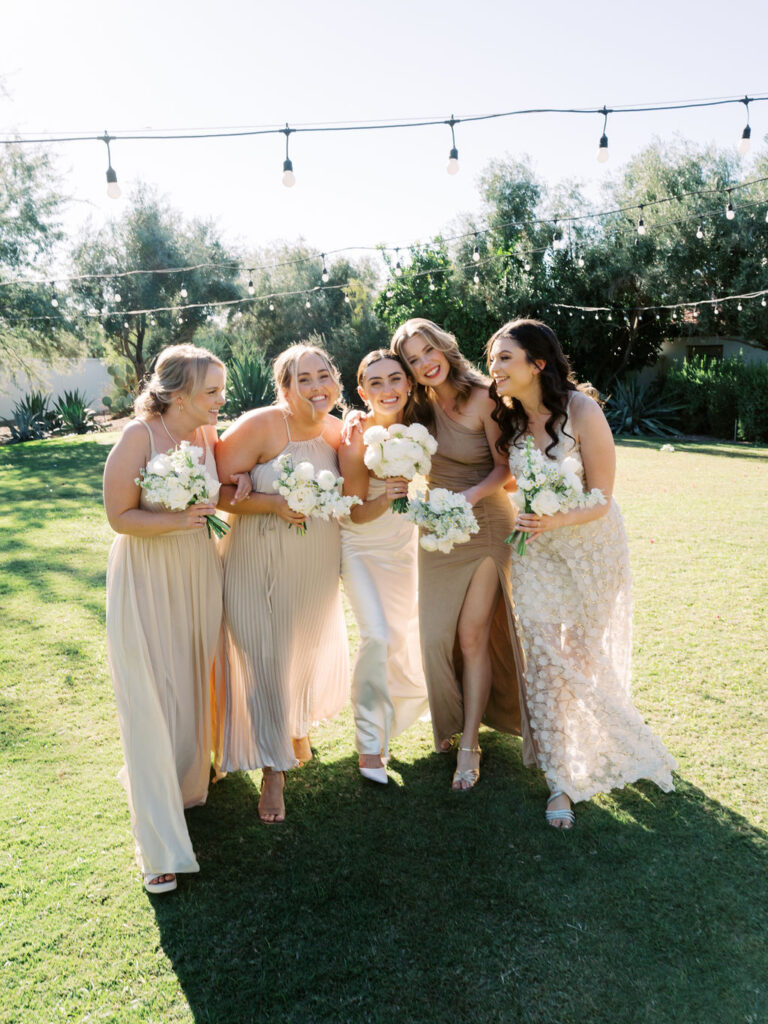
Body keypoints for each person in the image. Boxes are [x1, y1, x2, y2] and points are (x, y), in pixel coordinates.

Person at [487, 318, 676, 828]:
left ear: (537, 363)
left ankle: (621, 739)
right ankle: (560, 782)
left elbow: (602, 498)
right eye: (492, 359)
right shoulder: (505, 417)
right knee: (546, 663)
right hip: (536, 554)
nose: (495, 368)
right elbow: (509, 479)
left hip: (592, 547)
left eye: (505, 357)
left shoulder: (581, 410)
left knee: (581, 660)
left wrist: (555, 517)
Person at [104, 344, 235, 894]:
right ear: (177, 394)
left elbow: (223, 486)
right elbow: (119, 516)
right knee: (149, 693)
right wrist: (179, 520)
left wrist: (237, 489)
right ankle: (156, 844)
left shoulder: (205, 435)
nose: (220, 400)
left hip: (198, 571)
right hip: (147, 575)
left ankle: (182, 784)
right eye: (211, 392)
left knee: (187, 680)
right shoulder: (139, 437)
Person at [389, 318, 529, 791]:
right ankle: (452, 720)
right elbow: (384, 438)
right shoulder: (413, 407)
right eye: (412, 358)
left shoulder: (485, 395)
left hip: (486, 522)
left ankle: (470, 744)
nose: (424, 362)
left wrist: (466, 498)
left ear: (445, 348)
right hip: (438, 530)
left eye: (428, 350)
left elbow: (506, 470)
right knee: (433, 637)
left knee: (471, 635)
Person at [214, 343, 349, 823]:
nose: (316, 387)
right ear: (285, 387)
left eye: (323, 376)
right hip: (258, 556)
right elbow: (216, 486)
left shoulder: (337, 431)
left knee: (301, 648)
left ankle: (294, 727)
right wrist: (269, 502)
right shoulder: (262, 425)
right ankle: (274, 769)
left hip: (314, 560)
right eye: (303, 379)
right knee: (261, 653)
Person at [338, 350, 430, 784]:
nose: (387, 389)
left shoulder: (422, 429)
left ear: (409, 384)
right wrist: (389, 494)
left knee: (400, 636)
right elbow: (354, 513)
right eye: (375, 383)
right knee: (375, 635)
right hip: (360, 546)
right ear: (362, 392)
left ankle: (400, 717)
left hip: (402, 546)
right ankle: (370, 744)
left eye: (395, 379)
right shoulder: (355, 435)